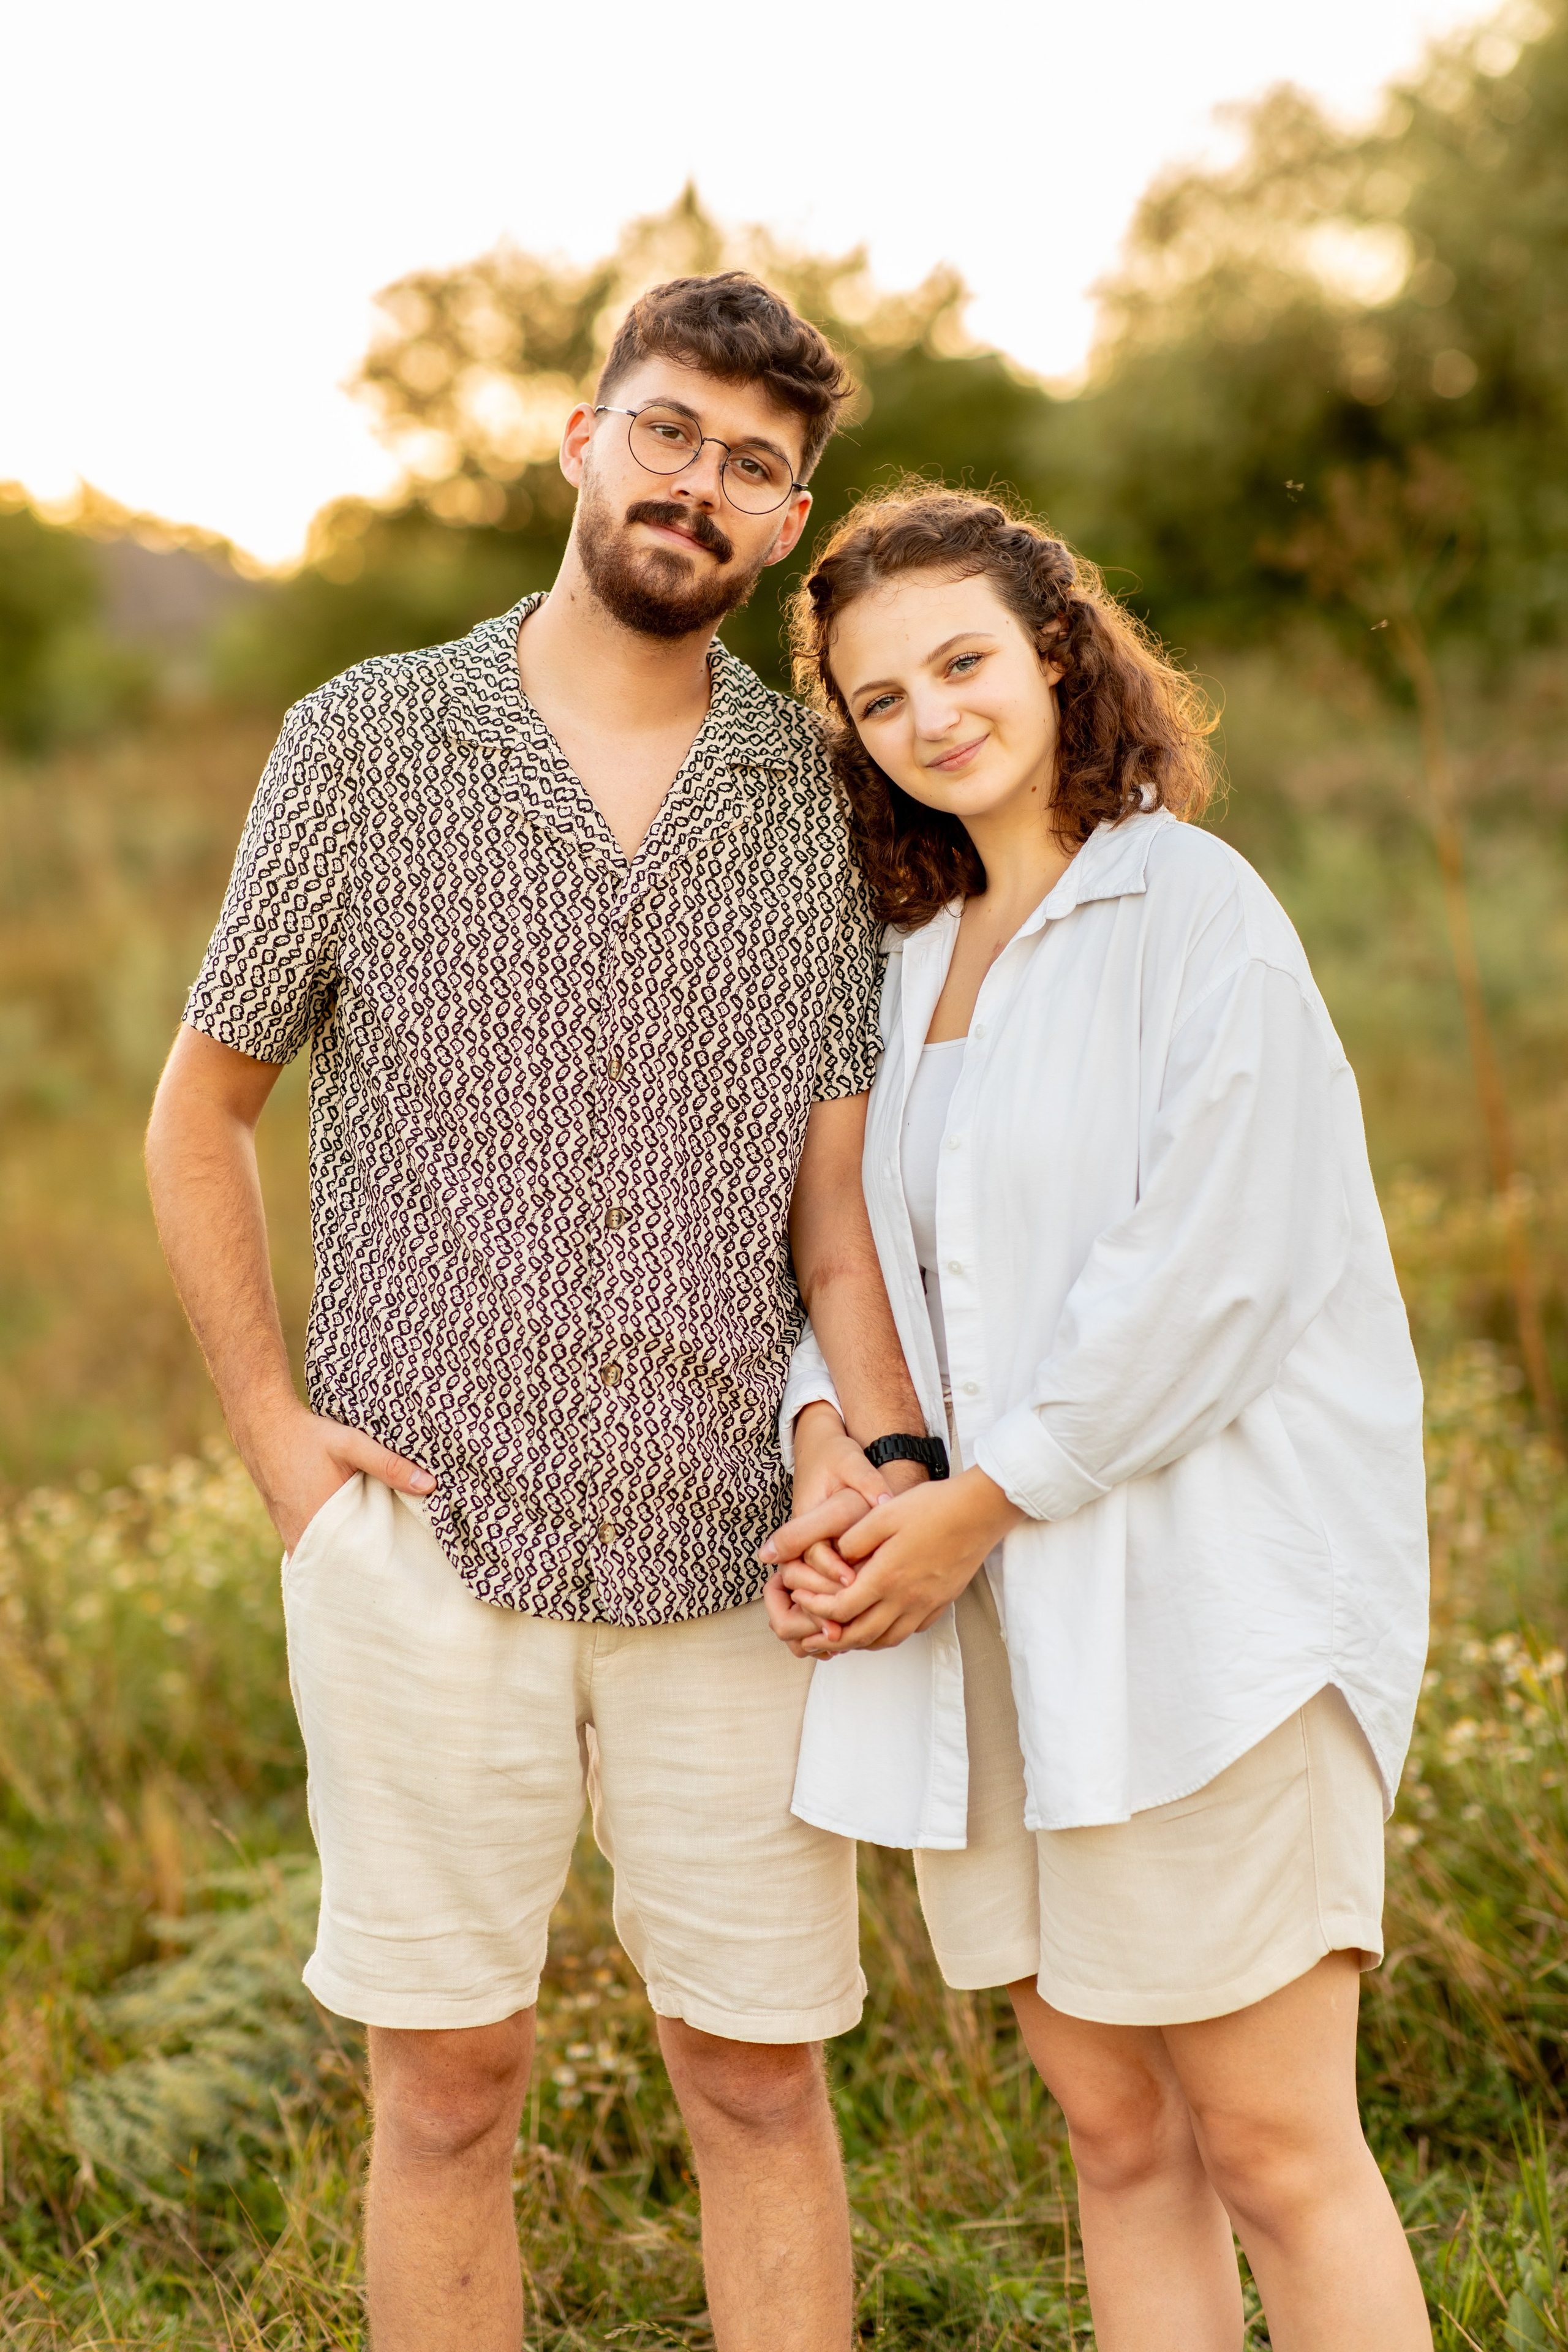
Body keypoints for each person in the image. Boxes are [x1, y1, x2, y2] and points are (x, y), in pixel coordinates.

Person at [144, 274, 933, 2352]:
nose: (705, 484)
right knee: (448, 2088)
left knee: (758, 2076)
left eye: (756, 468)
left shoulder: (817, 805)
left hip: (730, 1567)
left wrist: (871, 1442)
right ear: (585, 439)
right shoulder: (366, 745)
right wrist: (280, 1452)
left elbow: (835, 1222)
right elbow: (199, 1111)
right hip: (429, 1549)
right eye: (672, 431)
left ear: (783, 527)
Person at [763, 486, 1432, 2350]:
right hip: (996, 1637)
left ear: (1058, 650)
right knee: (1117, 2134)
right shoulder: (902, 968)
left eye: (963, 662)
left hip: (1204, 1617)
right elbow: (852, 1263)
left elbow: (1209, 1277)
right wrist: (839, 1452)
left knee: (1278, 2149)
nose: (932, 720)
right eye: (880, 700)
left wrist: (976, 1505)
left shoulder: (1190, 912)